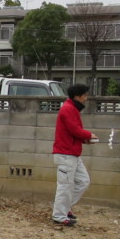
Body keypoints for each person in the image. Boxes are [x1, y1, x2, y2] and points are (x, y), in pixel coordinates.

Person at [51, 83, 97, 226]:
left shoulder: (71, 108)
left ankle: (64, 208)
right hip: (65, 154)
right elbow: (75, 130)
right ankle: (59, 215)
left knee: (83, 181)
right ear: (77, 96)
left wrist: (85, 139)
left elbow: (72, 132)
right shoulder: (69, 109)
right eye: (85, 95)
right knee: (65, 186)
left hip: (72, 154)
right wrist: (89, 135)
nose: (86, 99)